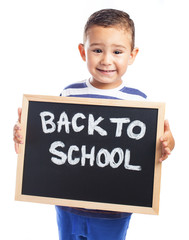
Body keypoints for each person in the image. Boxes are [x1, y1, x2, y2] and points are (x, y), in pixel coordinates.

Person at [13, 9, 175, 240]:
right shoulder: (69, 94)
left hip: (114, 210)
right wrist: (25, 133)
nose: (106, 60)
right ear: (83, 51)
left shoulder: (139, 102)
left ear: (132, 54)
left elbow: (155, 145)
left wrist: (168, 142)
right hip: (67, 203)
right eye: (97, 50)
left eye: (117, 51)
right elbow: (49, 138)